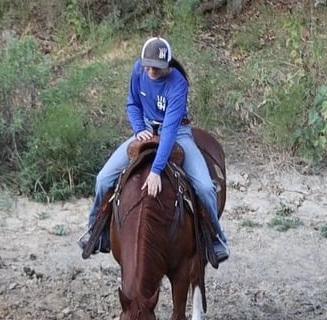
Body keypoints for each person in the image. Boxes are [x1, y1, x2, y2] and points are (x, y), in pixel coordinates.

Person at [77, 36, 229, 266]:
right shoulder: (138, 70)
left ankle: (216, 239)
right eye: (147, 66)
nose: (150, 71)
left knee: (206, 187)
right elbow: (132, 103)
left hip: (177, 132)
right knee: (103, 178)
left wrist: (156, 170)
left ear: (167, 65)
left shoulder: (178, 84)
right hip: (147, 128)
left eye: (156, 68)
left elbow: (169, 130)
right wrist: (139, 129)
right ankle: (96, 231)